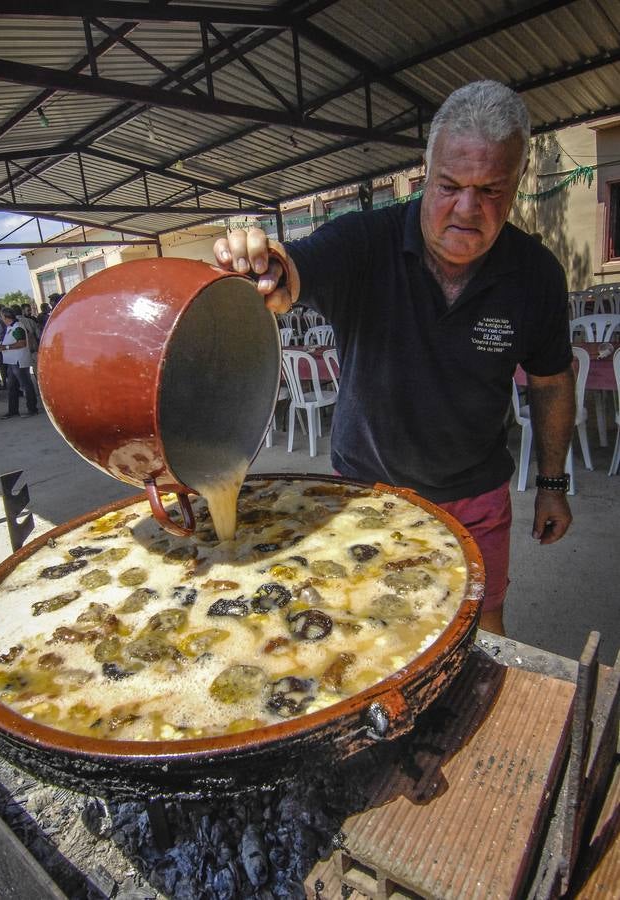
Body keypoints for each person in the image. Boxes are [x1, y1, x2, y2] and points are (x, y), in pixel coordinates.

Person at [213, 80, 575, 636]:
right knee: (363, 632)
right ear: (425, 173)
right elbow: (295, 271)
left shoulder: (535, 273)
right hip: (366, 495)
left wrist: (552, 485)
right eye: (450, 185)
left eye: (492, 191)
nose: (467, 209)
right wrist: (266, 267)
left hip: (476, 498)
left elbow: (551, 382)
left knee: (482, 631)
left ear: (518, 182)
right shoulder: (365, 242)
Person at [0, 306, 38, 419]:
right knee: (12, 386)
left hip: (18, 361)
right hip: (12, 361)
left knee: (26, 385)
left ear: (6, 317)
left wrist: (6, 347)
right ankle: (13, 410)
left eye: (2, 317)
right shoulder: (12, 327)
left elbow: (22, 343)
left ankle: (32, 408)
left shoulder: (17, 327)